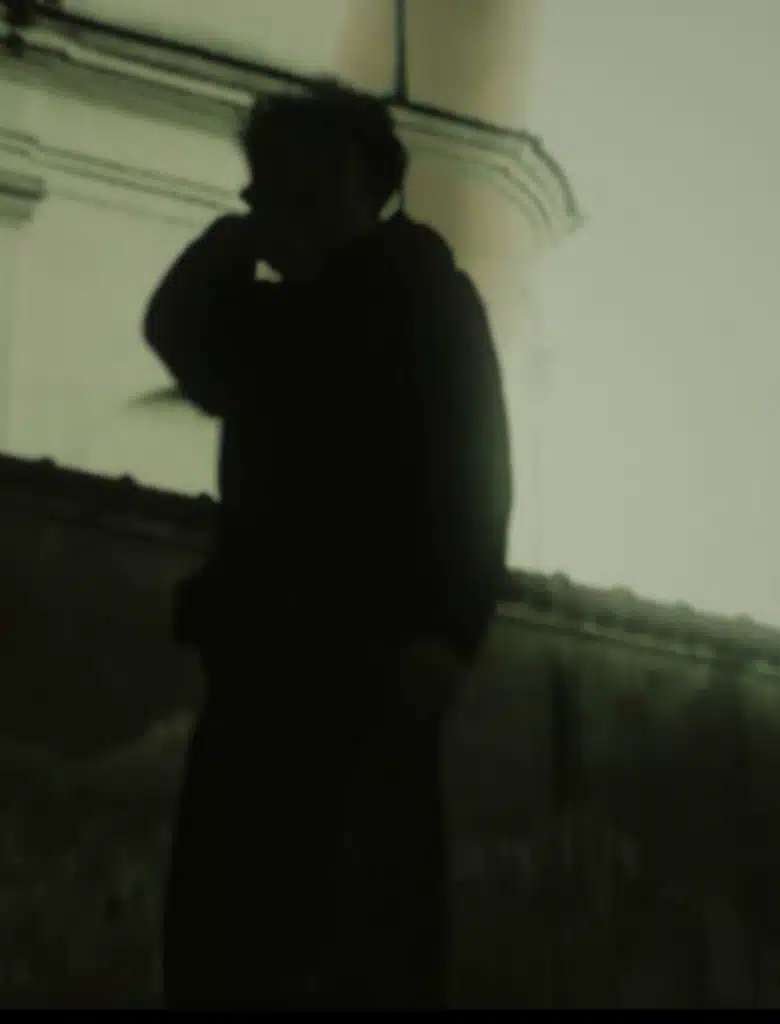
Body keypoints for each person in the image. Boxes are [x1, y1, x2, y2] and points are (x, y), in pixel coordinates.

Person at [143, 78, 513, 1009]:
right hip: (260, 664)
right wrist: (244, 234)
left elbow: (475, 474)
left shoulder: (425, 299)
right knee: (231, 947)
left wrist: (443, 636)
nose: (255, 193)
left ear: (344, 170)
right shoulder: (275, 322)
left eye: (274, 175)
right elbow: (176, 327)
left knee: (351, 941)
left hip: (369, 666)